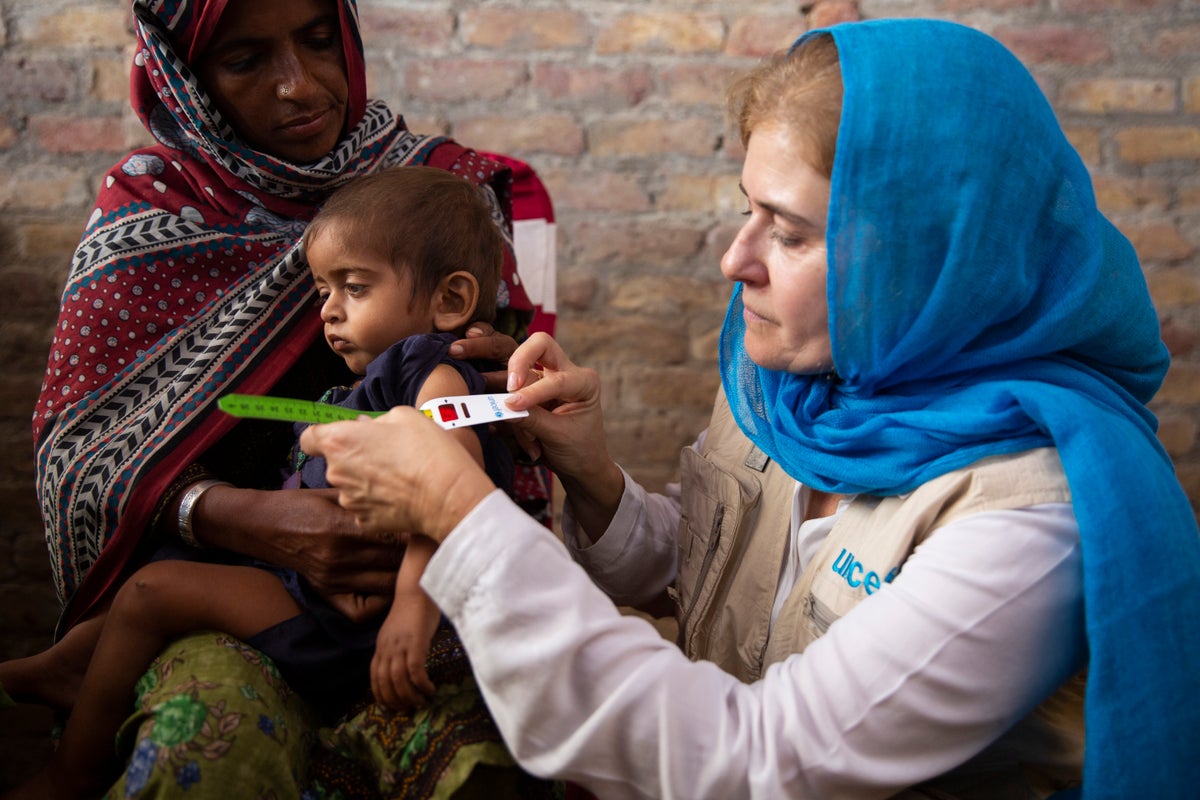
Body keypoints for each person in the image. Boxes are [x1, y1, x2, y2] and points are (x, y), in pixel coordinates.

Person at [300, 18, 1200, 800]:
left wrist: (459, 515)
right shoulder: (804, 392)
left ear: (929, 256)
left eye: (794, 233)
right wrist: (595, 478)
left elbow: (754, 764)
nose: (736, 261)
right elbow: (732, 575)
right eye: (747, 212)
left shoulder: (1031, 519)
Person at [22, 0, 554, 796]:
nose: (300, 87)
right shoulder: (151, 214)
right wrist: (234, 515)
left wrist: (518, 381)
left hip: (417, 603)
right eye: (244, 61)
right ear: (187, 80)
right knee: (199, 751)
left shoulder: (441, 196)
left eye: (317, 42)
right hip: (243, 586)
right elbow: (83, 460)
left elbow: (503, 443)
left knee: (493, 767)